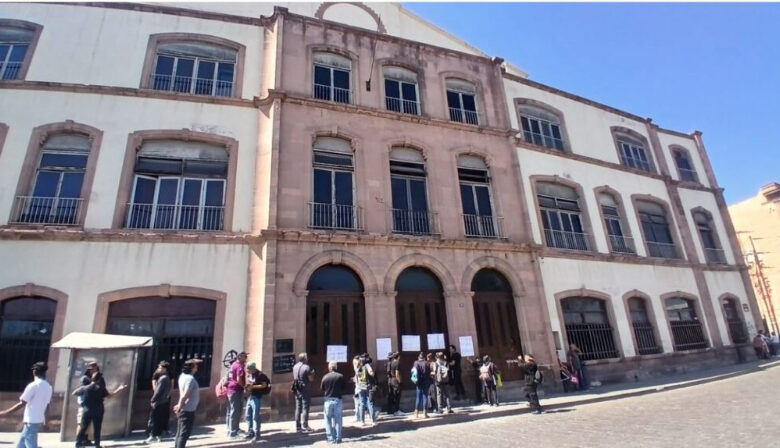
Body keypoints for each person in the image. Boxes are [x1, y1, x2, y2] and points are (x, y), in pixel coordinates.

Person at [0, 362, 53, 448]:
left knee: (30, 444)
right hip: (37, 420)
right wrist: (46, 422)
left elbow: (22, 403)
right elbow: (47, 406)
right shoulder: (48, 387)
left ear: (34, 371)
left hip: (31, 420)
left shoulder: (33, 386)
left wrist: (6, 412)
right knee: (21, 444)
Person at [73, 371, 128, 448]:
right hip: (98, 411)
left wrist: (83, 400)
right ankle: (97, 444)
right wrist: (119, 389)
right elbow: (109, 396)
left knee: (83, 427)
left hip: (87, 411)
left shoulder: (85, 388)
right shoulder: (100, 389)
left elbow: (74, 393)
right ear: (98, 380)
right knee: (97, 428)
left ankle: (78, 444)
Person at [174, 358, 202, 448]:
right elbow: (185, 394)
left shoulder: (182, 376)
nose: (197, 368)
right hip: (187, 409)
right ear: (192, 368)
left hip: (185, 408)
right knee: (184, 433)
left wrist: (180, 405)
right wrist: (180, 405)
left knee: (180, 432)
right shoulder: (190, 379)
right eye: (195, 366)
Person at [145, 361, 172, 443]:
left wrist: (153, 399)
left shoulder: (163, 378)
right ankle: (157, 435)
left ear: (164, 369)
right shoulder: (166, 378)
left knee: (155, 419)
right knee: (159, 419)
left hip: (159, 401)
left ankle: (153, 435)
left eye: (160, 368)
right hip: (163, 401)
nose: (158, 369)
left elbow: (158, 391)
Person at [244, 361, 270, 441]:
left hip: (256, 397)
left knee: (255, 416)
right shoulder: (250, 374)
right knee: (248, 415)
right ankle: (250, 432)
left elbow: (264, 385)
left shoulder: (260, 375)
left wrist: (253, 387)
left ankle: (257, 433)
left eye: (248, 369)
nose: (247, 370)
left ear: (252, 369)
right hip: (250, 397)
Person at [321, 362, 345, 444]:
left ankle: (330, 438)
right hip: (338, 399)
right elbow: (343, 387)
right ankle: (338, 438)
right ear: (336, 367)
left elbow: (322, 388)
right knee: (338, 419)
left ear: (329, 368)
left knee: (327, 420)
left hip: (328, 400)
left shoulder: (325, 377)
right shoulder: (340, 376)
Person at [291, 352, 314, 433]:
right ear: (304, 358)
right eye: (306, 357)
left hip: (297, 388)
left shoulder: (295, 367)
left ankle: (298, 426)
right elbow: (310, 379)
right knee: (305, 407)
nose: (307, 359)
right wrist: (312, 373)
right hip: (305, 388)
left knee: (298, 407)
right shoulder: (306, 367)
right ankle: (305, 425)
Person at [226, 351, 247, 439]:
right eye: (245, 357)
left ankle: (232, 429)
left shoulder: (233, 364)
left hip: (230, 390)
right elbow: (239, 380)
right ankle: (233, 433)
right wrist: (244, 387)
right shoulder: (239, 366)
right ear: (240, 357)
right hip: (236, 390)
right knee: (235, 411)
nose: (246, 358)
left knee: (230, 411)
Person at [355, 353, 377, 426]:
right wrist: (373, 372)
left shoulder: (358, 367)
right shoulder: (367, 365)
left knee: (362, 403)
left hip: (360, 387)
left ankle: (362, 421)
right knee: (370, 403)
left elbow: (356, 378)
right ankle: (373, 420)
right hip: (368, 386)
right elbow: (371, 373)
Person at [411, 352, 431, 419]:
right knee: (425, 396)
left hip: (419, 382)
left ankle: (416, 413)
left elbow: (413, 371)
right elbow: (429, 372)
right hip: (426, 381)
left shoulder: (416, 363)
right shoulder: (427, 363)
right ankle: (425, 413)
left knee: (418, 397)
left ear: (418, 357)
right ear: (424, 358)